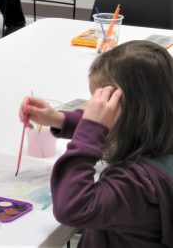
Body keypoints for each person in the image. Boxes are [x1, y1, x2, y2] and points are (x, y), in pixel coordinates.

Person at [19, 41, 173, 247]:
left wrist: (91, 130)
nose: (92, 110)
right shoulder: (160, 133)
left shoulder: (137, 184)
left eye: (100, 106)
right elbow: (120, 129)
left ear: (128, 113)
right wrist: (59, 119)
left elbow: (72, 208)